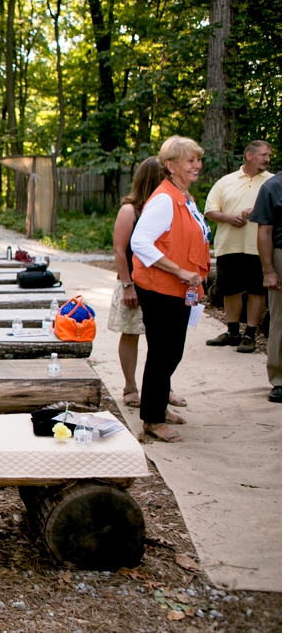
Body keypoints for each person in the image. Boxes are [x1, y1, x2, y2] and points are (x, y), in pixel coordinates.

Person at [130, 136, 211, 443]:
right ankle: (152, 419)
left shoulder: (184, 197)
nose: (197, 166)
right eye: (190, 160)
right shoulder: (165, 199)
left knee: (171, 352)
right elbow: (139, 242)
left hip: (180, 290)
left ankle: (159, 405)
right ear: (170, 165)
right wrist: (179, 270)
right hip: (161, 289)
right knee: (163, 353)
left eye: (198, 160)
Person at [109, 157, 187, 410]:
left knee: (162, 341)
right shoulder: (130, 210)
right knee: (131, 333)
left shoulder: (171, 205)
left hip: (164, 284)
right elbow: (121, 251)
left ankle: (164, 388)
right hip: (133, 282)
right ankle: (130, 386)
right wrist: (127, 285)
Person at [203, 141, 273, 353]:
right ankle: (233, 333)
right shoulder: (226, 182)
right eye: (263, 155)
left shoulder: (273, 183)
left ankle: (250, 335)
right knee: (230, 290)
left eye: (269, 155)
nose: (267, 159)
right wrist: (229, 218)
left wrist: (259, 210)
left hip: (260, 247)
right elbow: (209, 211)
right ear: (249, 156)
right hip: (229, 246)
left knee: (256, 291)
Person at [249, 172, 282, 403]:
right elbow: (264, 231)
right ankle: (279, 379)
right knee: (280, 318)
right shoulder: (273, 186)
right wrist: (269, 270)